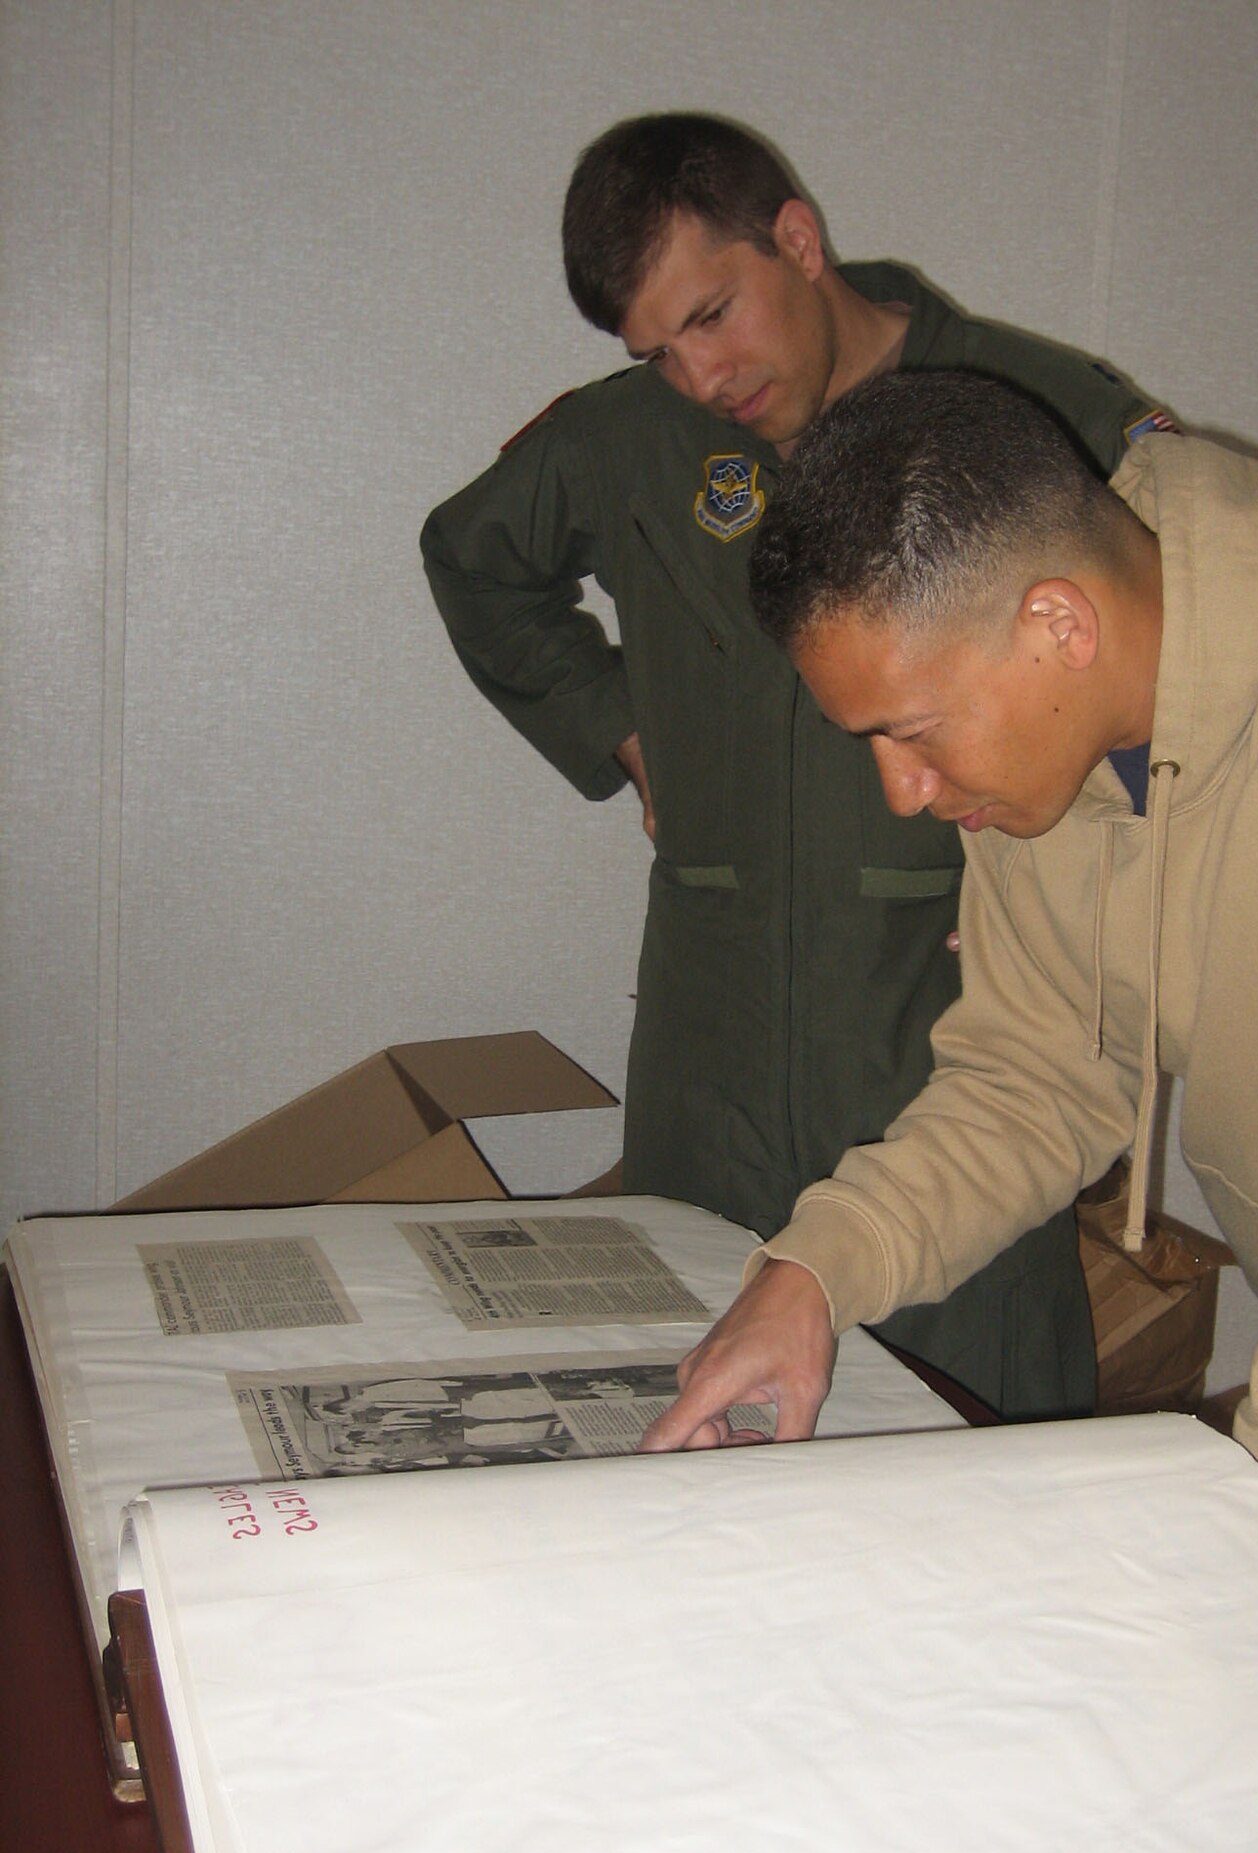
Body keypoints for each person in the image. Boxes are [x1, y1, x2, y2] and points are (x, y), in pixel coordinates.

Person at [641, 368, 1258, 1708]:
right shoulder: (1060, 766)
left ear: (1057, 624)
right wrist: (814, 1276)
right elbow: (1034, 1080)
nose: (905, 792)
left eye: (909, 734)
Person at [422, 113, 1175, 1417]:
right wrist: (617, 723)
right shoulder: (626, 439)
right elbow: (475, 559)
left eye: (714, 314)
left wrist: (1117, 910)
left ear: (798, 240)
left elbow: (1174, 672)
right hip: (712, 1032)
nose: (702, 375)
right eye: (659, 349)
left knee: (966, 1405)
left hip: (944, 1025)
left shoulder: (1037, 408)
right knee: (699, 1378)